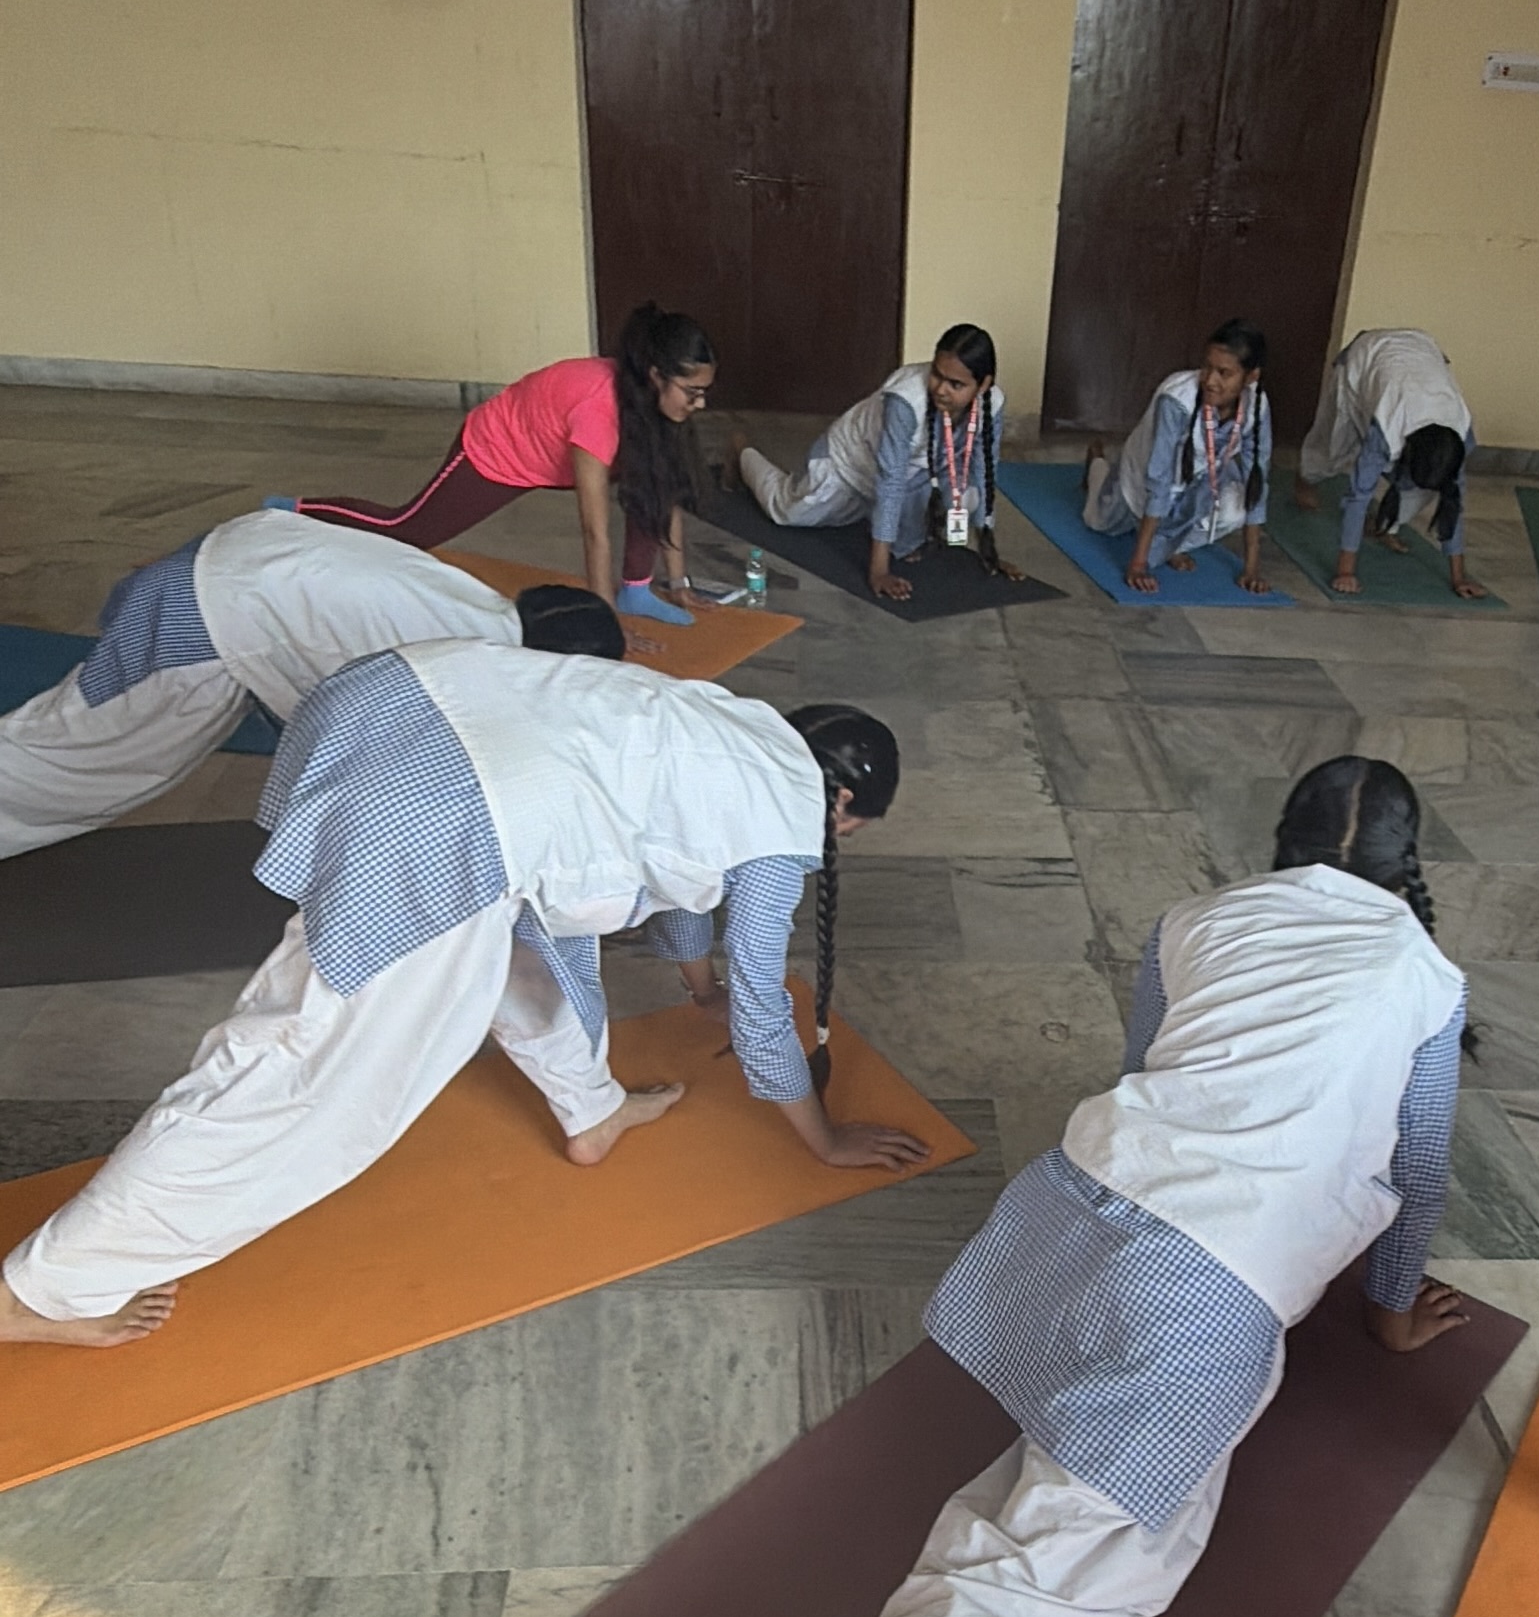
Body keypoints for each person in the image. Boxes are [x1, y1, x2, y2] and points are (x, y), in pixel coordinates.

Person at [657, 753, 1472, 1617]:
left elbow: (1152, 1055)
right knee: (1071, 1586)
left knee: (1024, 1525)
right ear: (1408, 866)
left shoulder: (1198, 919)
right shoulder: (1426, 976)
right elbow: (1418, 1167)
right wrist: (1393, 1311)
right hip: (1195, 1290)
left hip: (1069, 1216)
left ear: (1282, 840)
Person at [0, 662, 924, 1350]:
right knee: (310, 1081)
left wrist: (698, 989)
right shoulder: (783, 811)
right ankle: (40, 1294)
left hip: (399, 710)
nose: (835, 840)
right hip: (443, 809)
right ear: (838, 796)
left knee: (523, 955)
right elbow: (764, 994)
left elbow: (690, 894)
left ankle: (592, 1113)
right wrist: (824, 1138)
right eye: (848, 828)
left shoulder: (742, 730)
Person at [0, 515, 607, 859]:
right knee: (85, 761)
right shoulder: (469, 657)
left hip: (229, 555)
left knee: (69, 734)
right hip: (210, 611)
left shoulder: (481, 605)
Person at [284, 306, 717, 626]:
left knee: (656, 479)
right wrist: (602, 622)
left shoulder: (653, 406)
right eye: (691, 392)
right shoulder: (598, 411)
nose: (698, 404)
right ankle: (297, 510)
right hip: (501, 449)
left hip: (558, 450)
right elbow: (594, 531)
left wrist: (678, 585)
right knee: (409, 529)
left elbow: (665, 497)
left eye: (703, 393)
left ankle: (637, 591)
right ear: (657, 376)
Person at [732, 328, 1020, 608]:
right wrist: (878, 572)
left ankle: (874, 512)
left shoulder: (991, 404)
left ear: (983, 385)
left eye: (955, 385)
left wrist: (989, 552)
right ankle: (742, 451)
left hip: (916, 474)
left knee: (918, 536)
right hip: (849, 462)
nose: (941, 390)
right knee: (787, 512)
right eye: (936, 375)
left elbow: (984, 472)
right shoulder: (907, 399)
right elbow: (890, 479)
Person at [1293, 327, 1484, 602]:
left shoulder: (1459, 436)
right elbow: (1358, 497)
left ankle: (1384, 525)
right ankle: (1305, 477)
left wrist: (1459, 577)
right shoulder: (1386, 428)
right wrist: (1346, 572)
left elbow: (1455, 501)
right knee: (1334, 447)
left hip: (1420, 352)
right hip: (1366, 358)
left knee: (1427, 484)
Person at [1082, 324, 1272, 596]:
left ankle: (1174, 544)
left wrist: (1252, 568)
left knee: (1235, 510)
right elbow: (1158, 480)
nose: (1210, 381)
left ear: (1251, 377)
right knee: (1099, 522)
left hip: (1201, 479)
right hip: (1147, 472)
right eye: (1208, 367)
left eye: (1225, 373)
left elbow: (1257, 477)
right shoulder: (1176, 399)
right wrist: (1139, 564)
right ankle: (1097, 463)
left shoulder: (1257, 405)